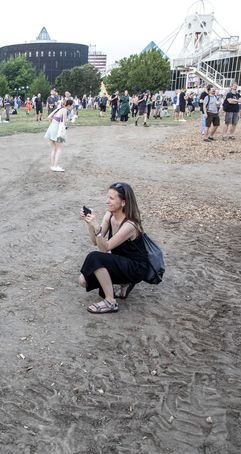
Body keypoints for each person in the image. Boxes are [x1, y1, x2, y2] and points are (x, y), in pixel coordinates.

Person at [79, 182, 150, 314]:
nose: (107, 201)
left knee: (94, 257)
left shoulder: (130, 225)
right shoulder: (110, 215)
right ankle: (125, 283)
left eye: (111, 198)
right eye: (108, 197)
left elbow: (105, 248)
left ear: (123, 202)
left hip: (136, 267)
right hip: (120, 261)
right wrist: (89, 223)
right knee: (83, 280)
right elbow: (96, 242)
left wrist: (96, 227)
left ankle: (110, 302)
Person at [44, 98, 72, 172]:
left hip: (51, 128)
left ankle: (53, 166)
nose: (72, 107)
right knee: (59, 149)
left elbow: (49, 117)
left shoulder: (59, 109)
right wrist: (72, 120)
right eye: (72, 105)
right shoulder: (65, 110)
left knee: (54, 149)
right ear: (69, 105)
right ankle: (55, 166)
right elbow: (65, 121)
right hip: (57, 129)